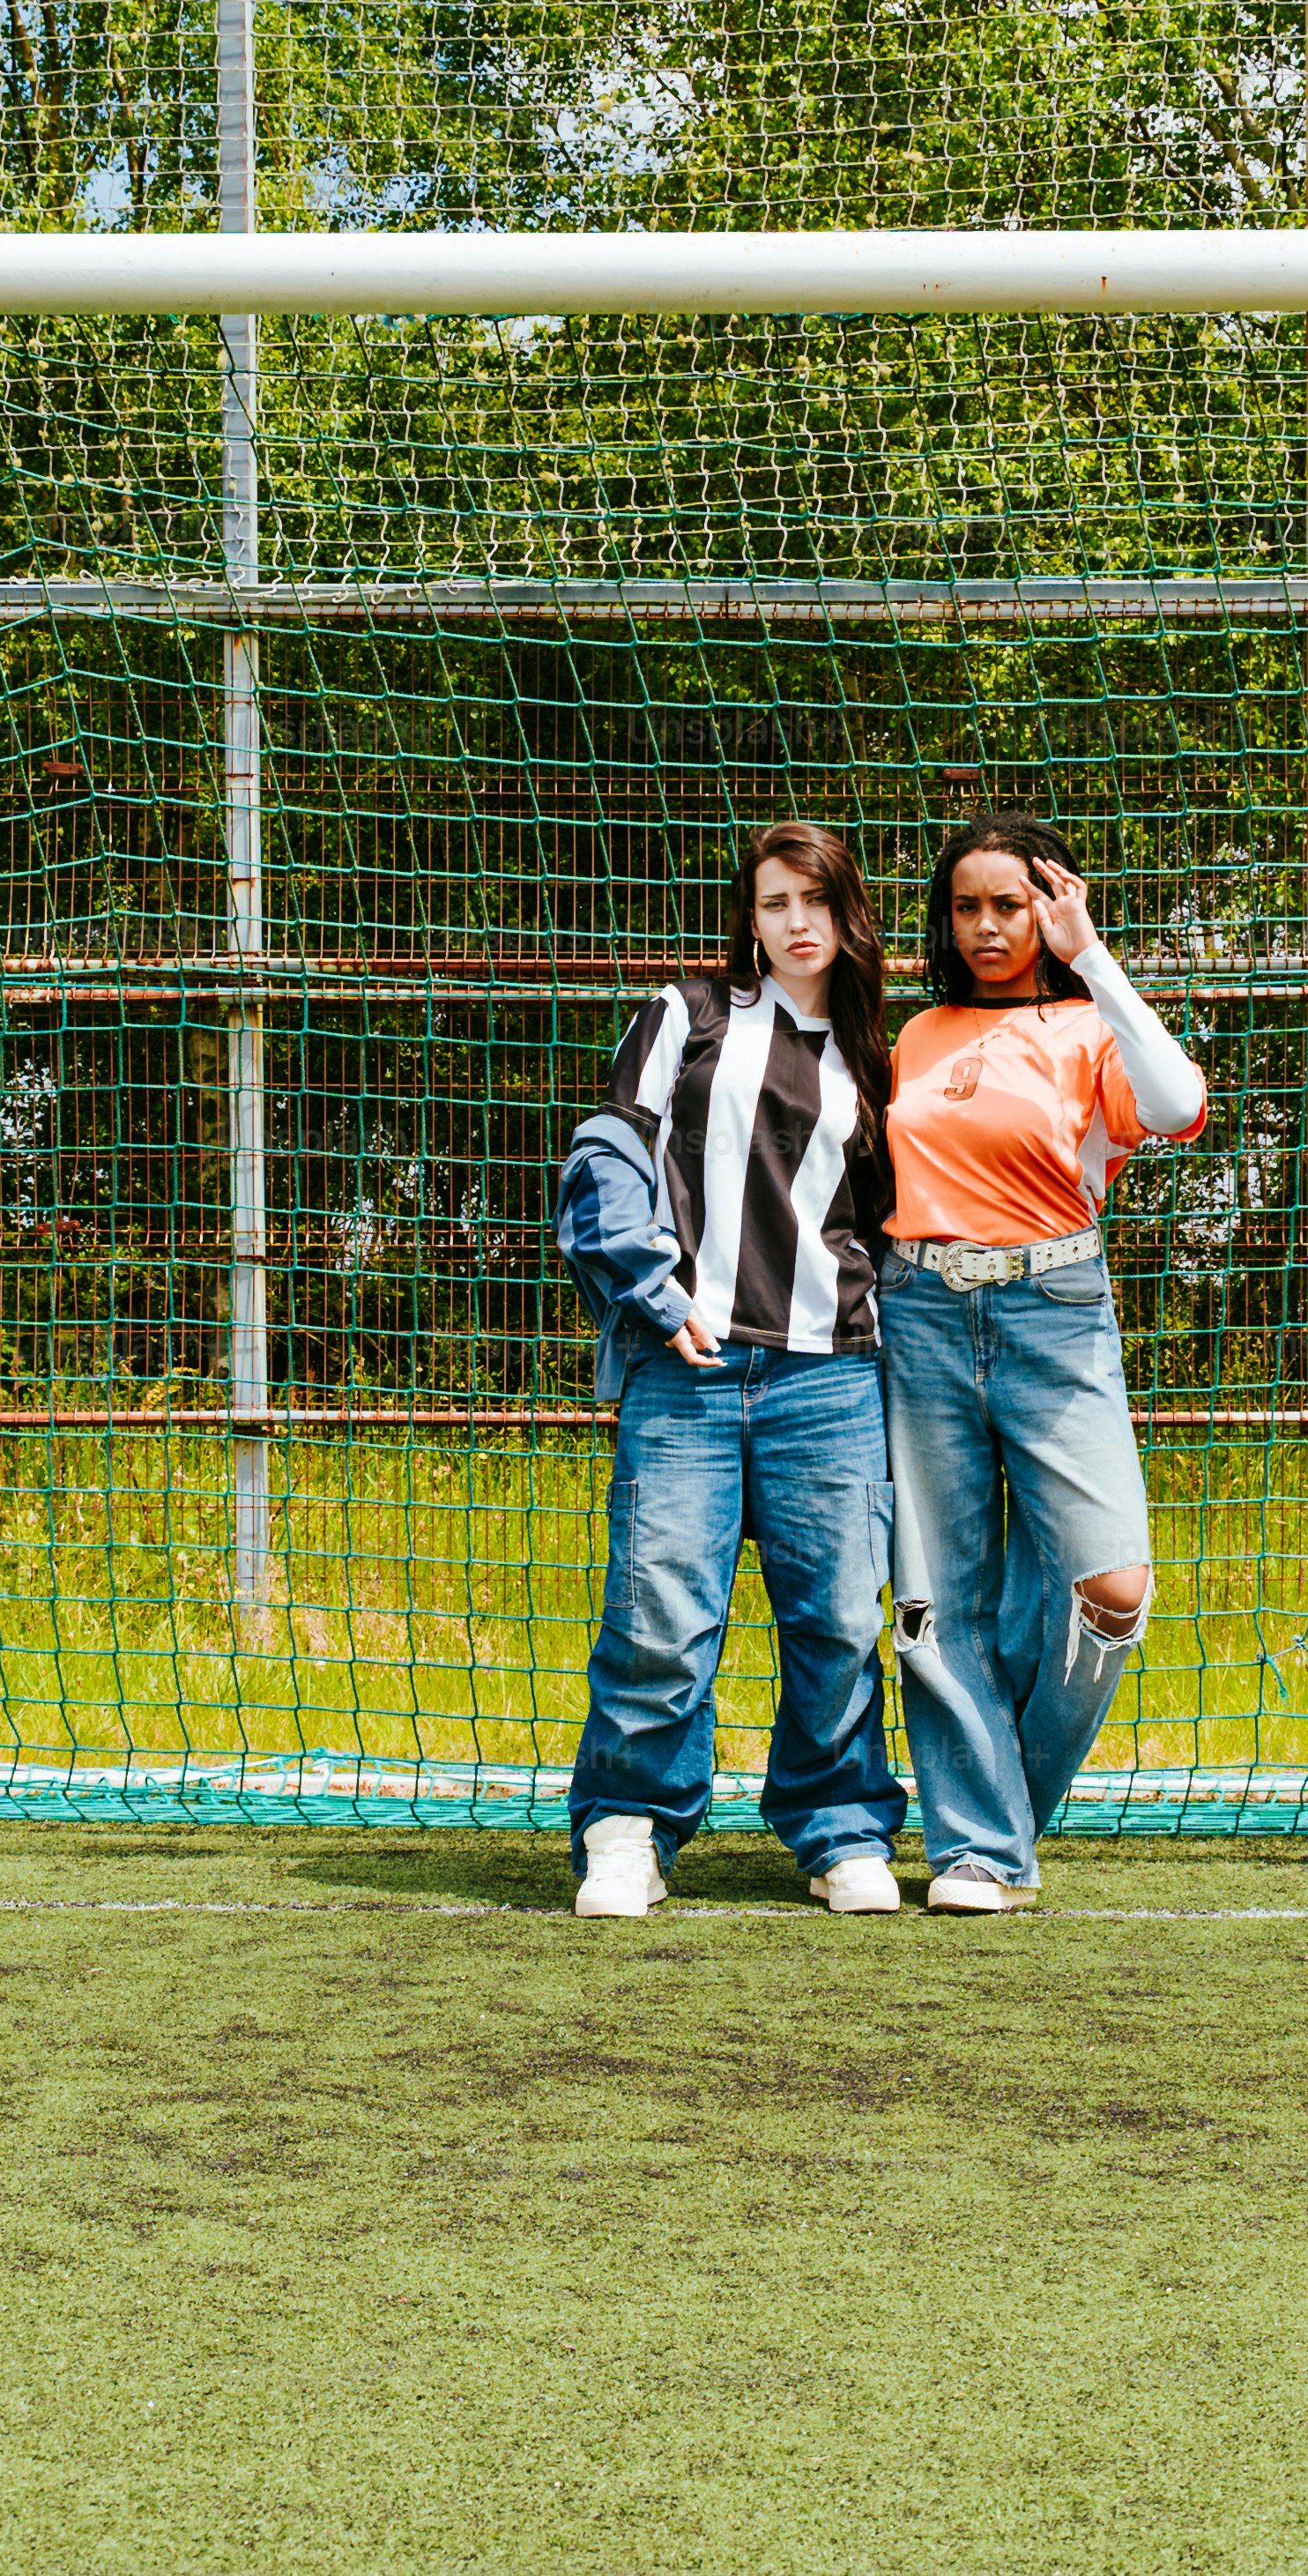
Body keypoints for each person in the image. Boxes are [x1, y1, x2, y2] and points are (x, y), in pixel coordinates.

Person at [545, 822, 913, 1920]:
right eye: (774, 902)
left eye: (816, 899)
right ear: (748, 917)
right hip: (689, 1372)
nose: (796, 922)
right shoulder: (690, 1012)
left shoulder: (882, 1056)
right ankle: (628, 1828)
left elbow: (890, 1229)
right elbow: (607, 1152)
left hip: (831, 1378)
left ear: (849, 912)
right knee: (659, 1613)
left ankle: (840, 1827)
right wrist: (651, 1294)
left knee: (839, 1620)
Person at [874, 811, 1205, 1913]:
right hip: (918, 1311)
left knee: (1110, 1585)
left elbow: (1180, 1105)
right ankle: (980, 1852)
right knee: (937, 1602)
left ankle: (1001, 1805)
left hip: (1054, 1311)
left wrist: (1092, 954)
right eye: (966, 906)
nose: (986, 926)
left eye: (1008, 905)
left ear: (1046, 908)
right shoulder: (913, 1036)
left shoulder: (1089, 1027)